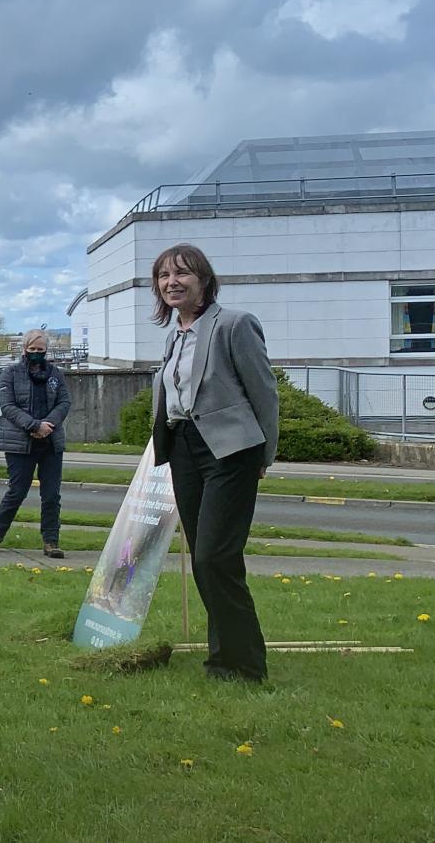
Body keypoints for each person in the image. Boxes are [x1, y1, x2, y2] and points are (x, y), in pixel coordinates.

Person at [148, 243, 279, 683]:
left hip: (230, 451)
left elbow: (264, 393)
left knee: (213, 558)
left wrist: (264, 454)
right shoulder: (174, 336)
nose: (172, 282)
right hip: (184, 449)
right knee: (211, 561)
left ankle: (244, 664)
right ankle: (224, 659)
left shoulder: (235, 324)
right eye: (164, 276)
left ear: (204, 280)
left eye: (182, 274)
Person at [0, 328, 72, 559]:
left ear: (46, 351)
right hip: (19, 443)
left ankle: (51, 542)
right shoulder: (10, 374)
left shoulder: (55, 375)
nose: (36, 353)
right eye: (32, 349)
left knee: (51, 495)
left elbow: (64, 402)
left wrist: (48, 425)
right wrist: (34, 426)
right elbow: (8, 407)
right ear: (24, 349)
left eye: (40, 350)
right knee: (17, 492)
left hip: (50, 443)